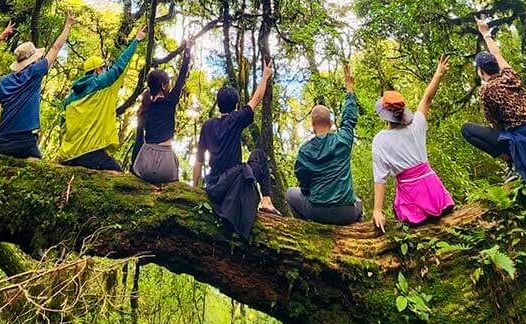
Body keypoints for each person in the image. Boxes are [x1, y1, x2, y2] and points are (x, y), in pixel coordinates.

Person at [460, 18, 526, 182]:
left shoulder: (487, 90)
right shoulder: (511, 76)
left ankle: (512, 163)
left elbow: (494, 123)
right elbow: (497, 54)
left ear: (481, 71)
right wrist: (485, 33)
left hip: (520, 137)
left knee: (467, 130)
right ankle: (521, 160)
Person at [0, 12, 76, 160]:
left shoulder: (3, 81)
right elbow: (55, 48)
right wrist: (68, 25)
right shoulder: (36, 73)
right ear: (33, 60)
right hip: (24, 143)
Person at [194, 61, 279, 239]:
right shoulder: (235, 119)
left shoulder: (207, 126)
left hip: (215, 184)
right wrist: (265, 76)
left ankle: (265, 202)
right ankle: (267, 201)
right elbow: (256, 99)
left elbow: (199, 160)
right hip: (233, 183)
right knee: (259, 155)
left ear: (218, 104)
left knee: (248, 163)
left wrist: (194, 188)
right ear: (236, 104)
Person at [370, 55, 455, 233]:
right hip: (434, 192)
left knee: (407, 222)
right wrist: (438, 74)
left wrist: (377, 210)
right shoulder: (416, 124)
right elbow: (426, 99)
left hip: (412, 198)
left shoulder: (380, 140)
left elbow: (381, 178)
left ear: (384, 115)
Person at [58, 24, 146, 171]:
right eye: (104, 68)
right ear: (98, 70)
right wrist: (136, 40)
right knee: (117, 176)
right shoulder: (101, 83)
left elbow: (62, 127)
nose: (105, 70)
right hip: (91, 152)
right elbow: (119, 66)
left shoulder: (69, 99)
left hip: (69, 155)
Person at [285, 62, 363, 225]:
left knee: (291, 194)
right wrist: (349, 90)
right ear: (332, 122)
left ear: (312, 124)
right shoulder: (343, 140)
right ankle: (355, 230)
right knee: (358, 202)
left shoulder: (305, 151)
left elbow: (304, 185)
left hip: (317, 212)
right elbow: (349, 120)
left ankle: (307, 228)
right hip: (346, 213)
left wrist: (310, 192)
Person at [131, 40, 192, 184]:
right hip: (166, 165)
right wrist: (187, 51)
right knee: (173, 169)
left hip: (145, 162)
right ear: (164, 86)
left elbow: (138, 141)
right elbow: (181, 78)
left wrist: (133, 168)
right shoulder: (170, 102)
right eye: (168, 83)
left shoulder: (144, 109)